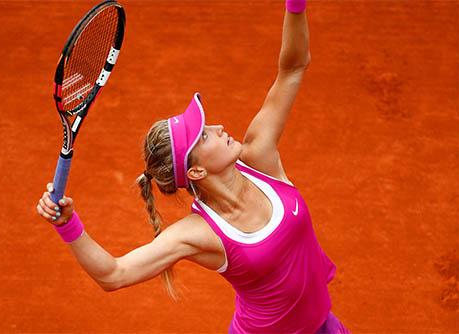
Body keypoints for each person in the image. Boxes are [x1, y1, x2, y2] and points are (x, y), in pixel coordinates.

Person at [36, 0, 350, 333]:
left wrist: (295, 5)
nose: (217, 128)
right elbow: (114, 274)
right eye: (203, 136)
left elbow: (293, 69)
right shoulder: (200, 233)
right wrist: (68, 223)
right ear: (196, 171)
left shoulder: (260, 158)